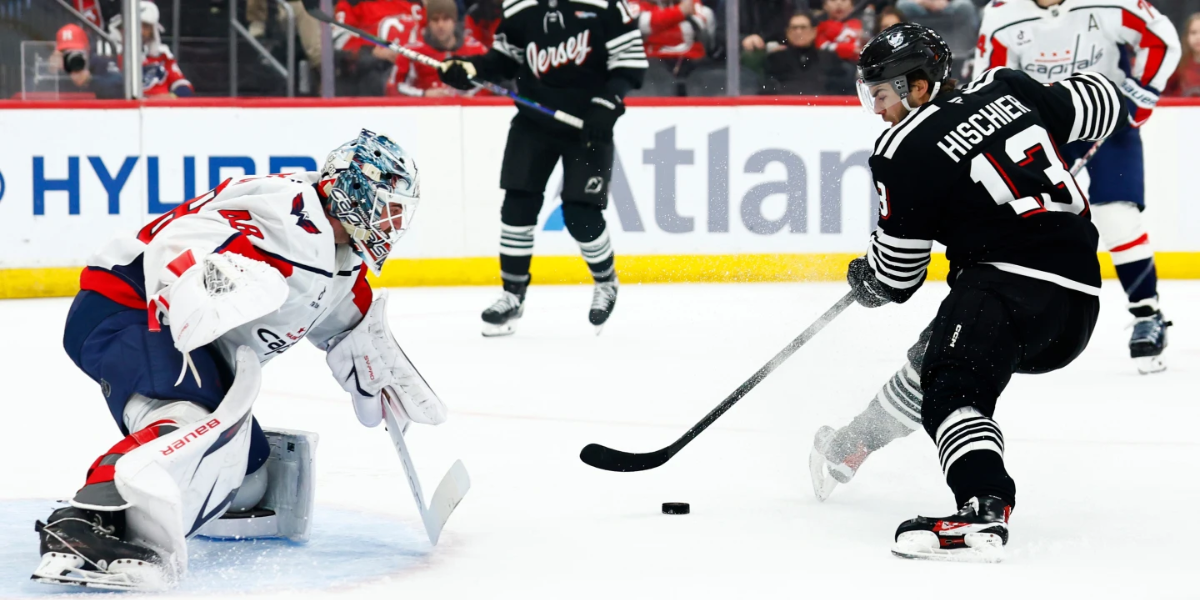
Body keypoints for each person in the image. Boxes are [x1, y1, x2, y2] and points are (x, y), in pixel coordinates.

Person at [33, 130, 448, 590]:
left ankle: (167, 496)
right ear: (353, 189)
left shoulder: (340, 257)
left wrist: (369, 351)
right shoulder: (286, 210)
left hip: (172, 330)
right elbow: (182, 239)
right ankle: (84, 520)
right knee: (191, 421)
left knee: (247, 474)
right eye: (385, 207)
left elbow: (347, 318)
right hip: (131, 304)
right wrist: (196, 286)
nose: (390, 223)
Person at [822, 23, 1126, 562]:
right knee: (932, 359)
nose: (877, 108)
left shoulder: (902, 148)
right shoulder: (1006, 84)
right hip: (1077, 298)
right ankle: (853, 445)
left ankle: (983, 509)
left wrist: (869, 279)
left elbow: (898, 278)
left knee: (952, 390)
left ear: (919, 87)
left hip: (1006, 284)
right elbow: (1105, 102)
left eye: (883, 94)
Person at [976, 0, 1180, 374]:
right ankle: (1012, 313)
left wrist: (1140, 92)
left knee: (1116, 215)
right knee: (1024, 220)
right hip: (1044, 128)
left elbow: (1161, 38)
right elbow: (991, 79)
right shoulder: (1001, 13)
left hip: (1107, 116)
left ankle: (1146, 313)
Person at [437, 0, 647, 336]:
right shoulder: (521, 6)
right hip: (533, 122)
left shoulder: (605, 5)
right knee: (517, 207)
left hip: (587, 126)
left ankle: (606, 281)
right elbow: (502, 60)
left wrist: (608, 101)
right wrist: (469, 69)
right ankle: (512, 295)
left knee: (581, 215)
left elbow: (630, 63)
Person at [386, 0, 488, 97]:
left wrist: (472, 97)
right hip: (425, 110)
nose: (440, 25)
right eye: (435, 19)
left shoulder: (476, 50)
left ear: (454, 21)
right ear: (428, 23)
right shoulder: (411, 52)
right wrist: (423, 94)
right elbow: (393, 87)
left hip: (469, 112)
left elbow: (493, 83)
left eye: (446, 19)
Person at [334, 0, 426, 96]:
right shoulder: (353, 3)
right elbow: (340, 40)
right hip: (372, 74)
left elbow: (430, 35)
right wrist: (372, 51)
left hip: (415, 72)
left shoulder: (416, 3)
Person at [111, 0, 194, 97]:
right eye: (135, 24)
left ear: (153, 30)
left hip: (162, 109)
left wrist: (171, 97)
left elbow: (184, 86)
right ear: (121, 27)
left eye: (145, 26)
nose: (140, 31)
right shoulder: (109, 54)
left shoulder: (163, 54)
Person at [50, 23, 124, 100]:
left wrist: (90, 80)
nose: (72, 56)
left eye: (76, 51)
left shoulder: (100, 63)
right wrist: (50, 72)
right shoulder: (59, 69)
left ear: (87, 49)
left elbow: (120, 86)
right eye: (65, 52)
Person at [764, 11, 827, 95]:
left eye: (803, 27)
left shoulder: (828, 58)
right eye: (794, 28)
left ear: (814, 32)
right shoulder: (774, 59)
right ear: (787, 32)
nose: (798, 32)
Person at [1166, 13, 1200, 97]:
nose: (1198, 37)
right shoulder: (1179, 64)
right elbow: (1164, 92)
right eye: (1193, 32)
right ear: (1186, 36)